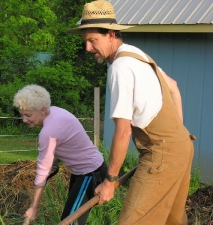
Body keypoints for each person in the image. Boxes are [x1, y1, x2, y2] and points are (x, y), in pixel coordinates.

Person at [65, 0, 195, 224]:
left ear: (111, 35)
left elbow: (123, 131)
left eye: (92, 40)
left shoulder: (120, 68)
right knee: (173, 221)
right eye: (85, 41)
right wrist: (177, 138)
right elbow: (173, 87)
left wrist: (110, 181)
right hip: (182, 147)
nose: (87, 48)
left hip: (161, 154)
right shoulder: (136, 55)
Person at [13, 84, 107, 224]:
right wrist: (54, 161)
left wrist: (34, 207)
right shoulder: (56, 112)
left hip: (90, 172)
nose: (24, 120)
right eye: (22, 115)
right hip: (83, 171)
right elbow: (65, 143)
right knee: (71, 219)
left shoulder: (48, 132)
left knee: (69, 221)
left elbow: (42, 172)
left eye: (28, 115)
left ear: (43, 110)